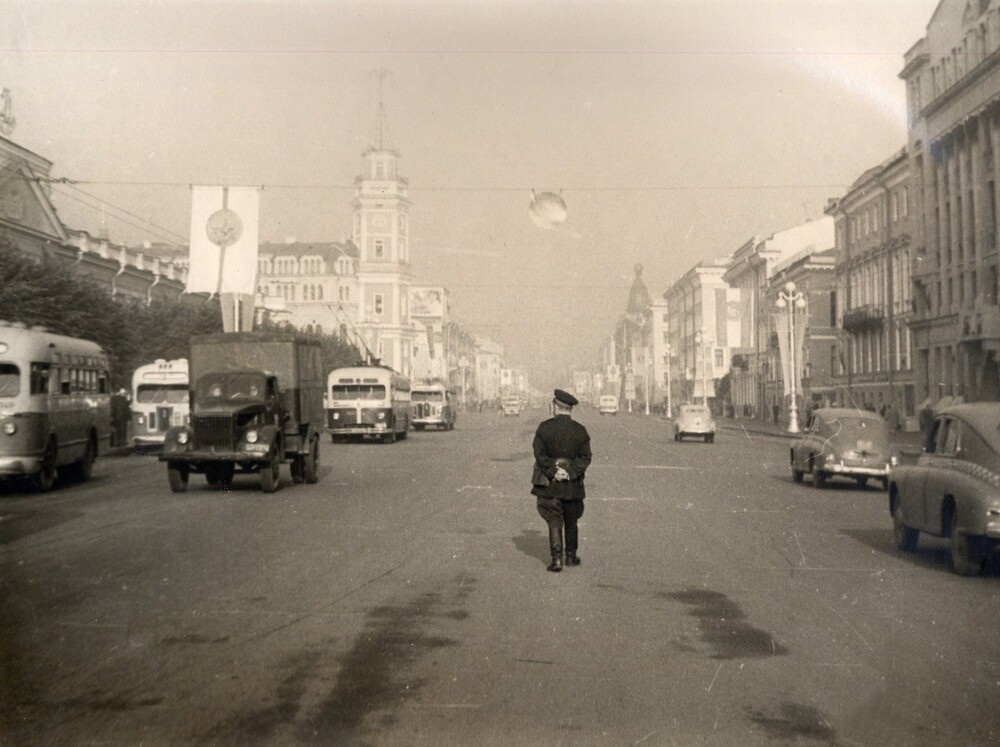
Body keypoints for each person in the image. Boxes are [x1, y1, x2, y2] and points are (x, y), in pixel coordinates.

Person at [531, 389, 592, 572]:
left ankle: (556, 560)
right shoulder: (580, 431)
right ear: (569, 408)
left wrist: (553, 471)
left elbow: (539, 454)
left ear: (555, 406)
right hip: (573, 485)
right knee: (571, 520)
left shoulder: (544, 428)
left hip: (550, 484)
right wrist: (570, 472)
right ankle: (571, 557)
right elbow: (586, 457)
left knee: (554, 520)